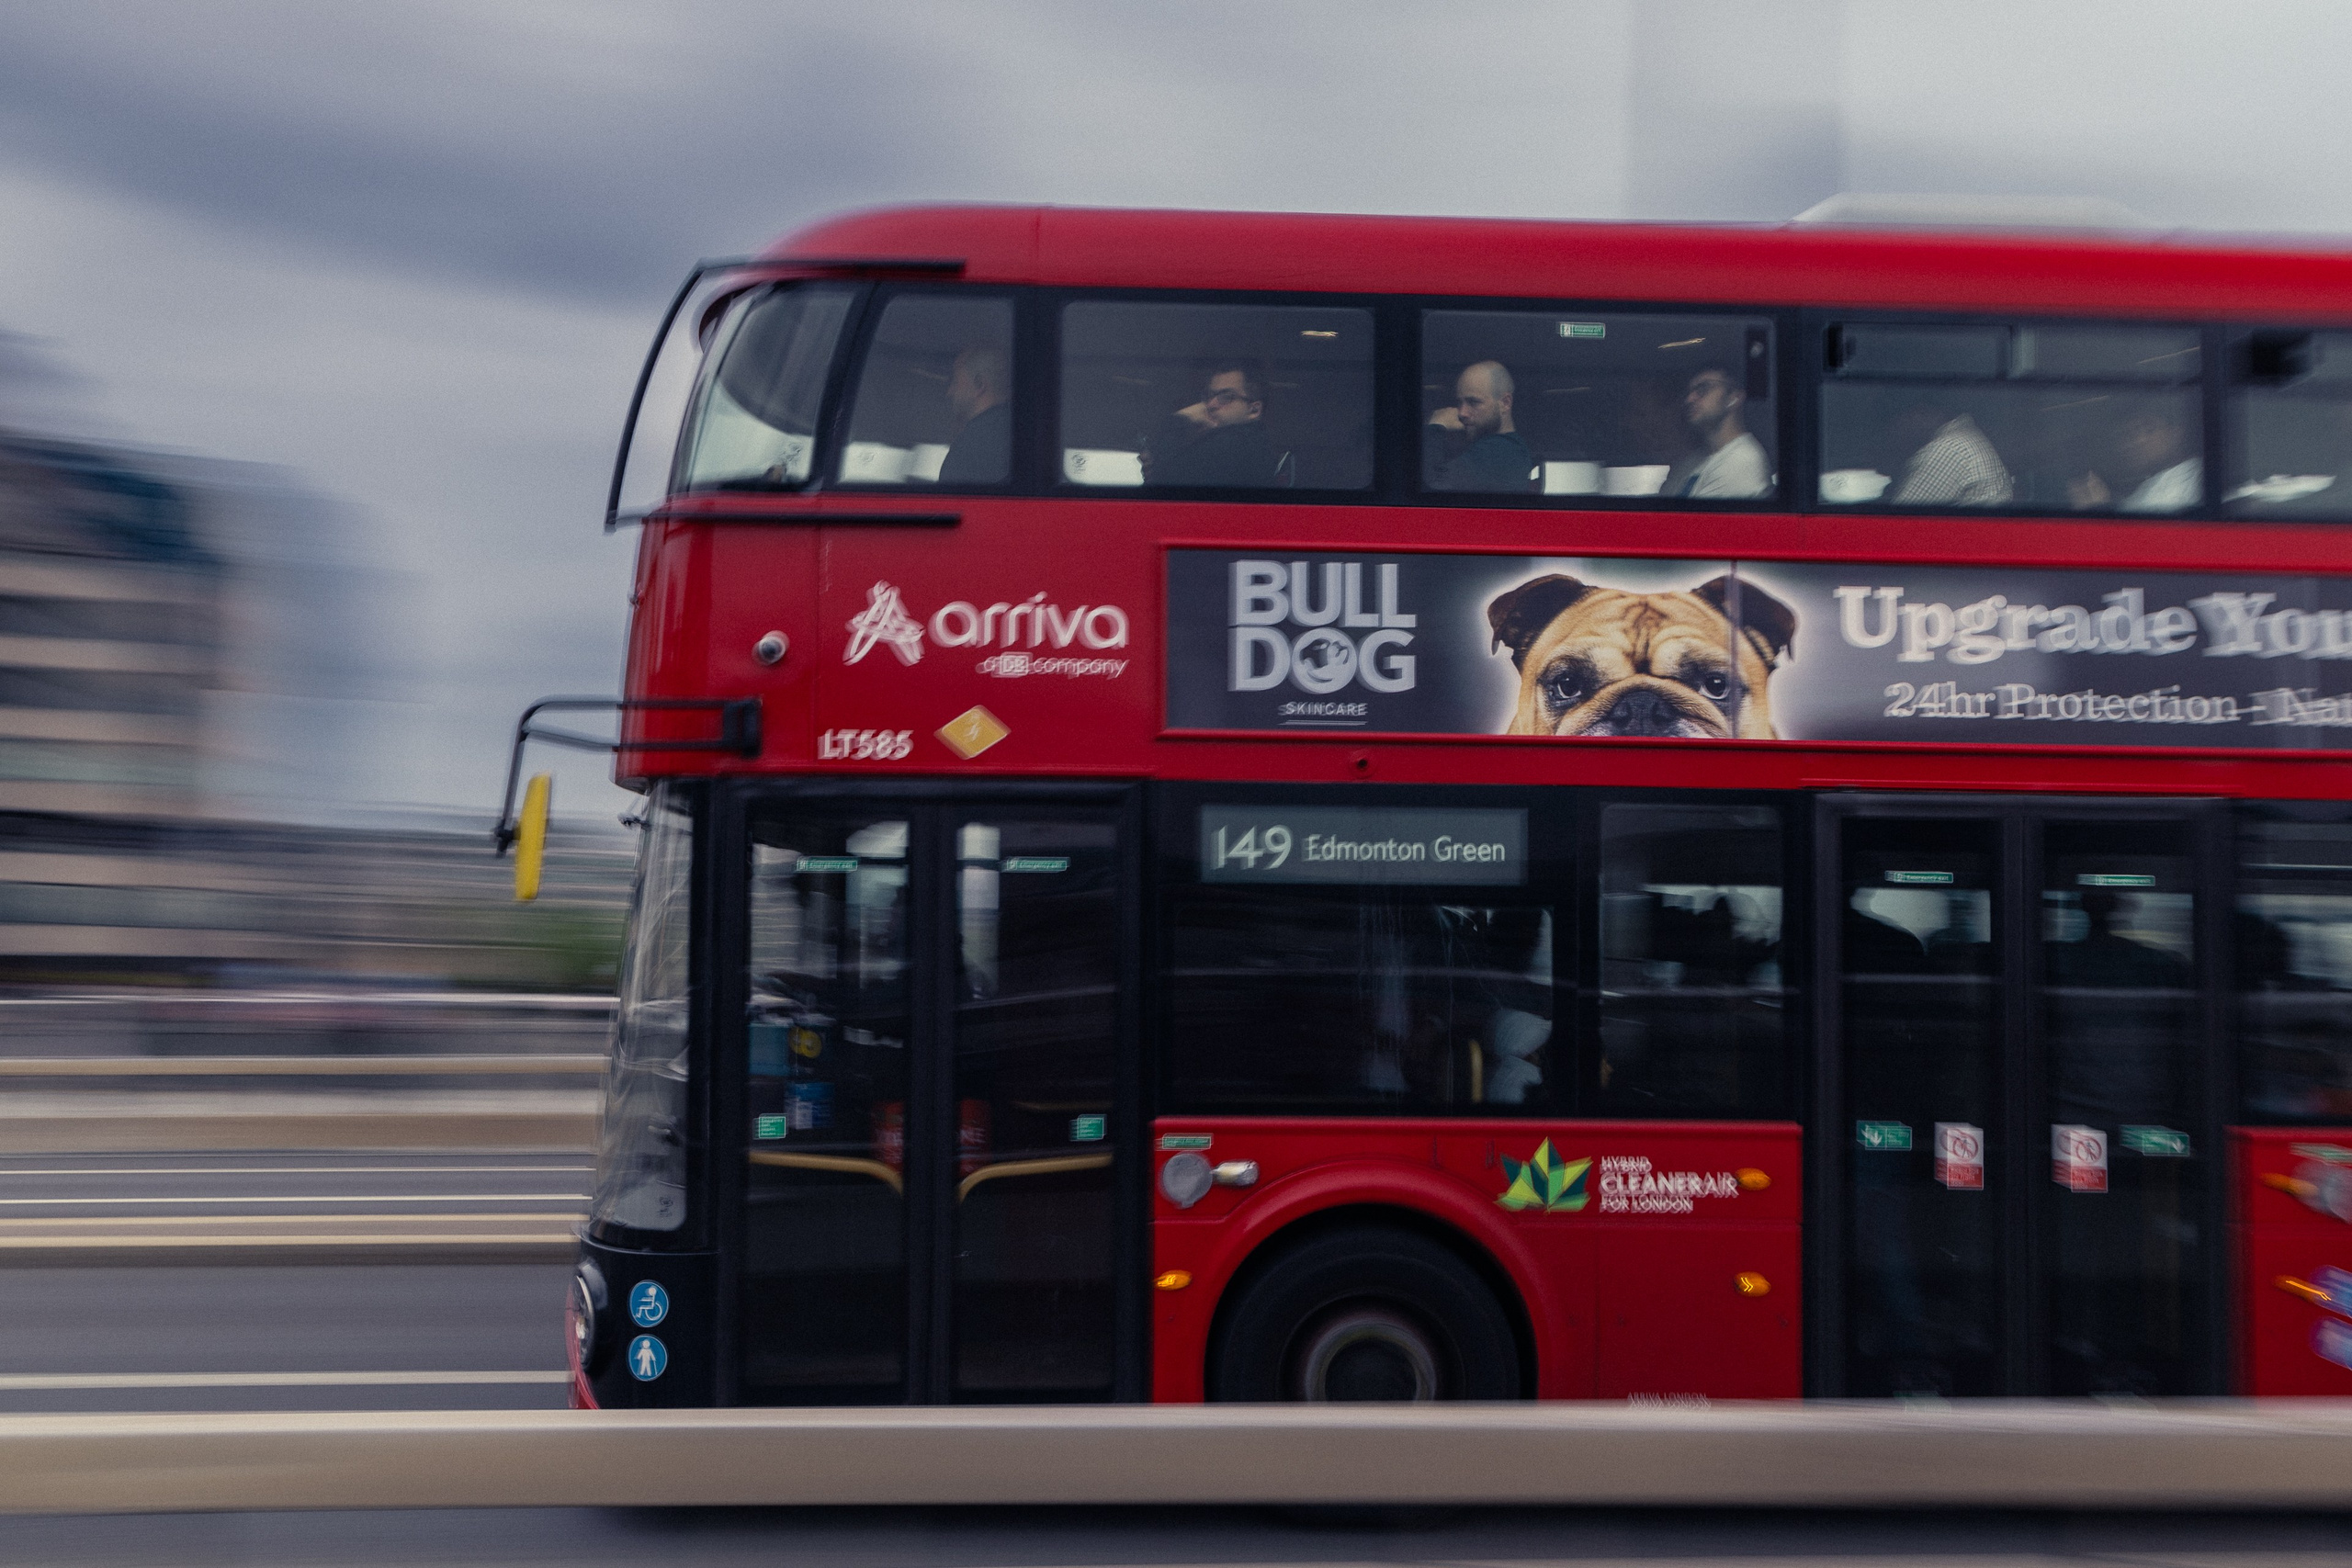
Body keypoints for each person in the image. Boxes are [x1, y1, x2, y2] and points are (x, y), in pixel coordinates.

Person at [1143, 363, 1280, 487]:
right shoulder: (1254, 443)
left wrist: (1183, 418)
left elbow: (1163, 482)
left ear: (1254, 410)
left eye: (1226, 397)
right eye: (1210, 395)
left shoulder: (1235, 445)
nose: (1211, 405)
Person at [1424, 361, 1537, 492]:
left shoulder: (1500, 452)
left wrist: (1436, 427)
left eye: (1474, 402)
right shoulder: (1505, 449)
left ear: (1505, 403)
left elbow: (1429, 485)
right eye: (1459, 402)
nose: (1461, 413)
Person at [1662, 367, 1772, 499]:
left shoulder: (1743, 461)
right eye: (1689, 392)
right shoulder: (1694, 460)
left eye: (1703, 388)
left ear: (1733, 397)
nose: (1689, 399)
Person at [2068, 409, 2199, 513]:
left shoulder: (2192, 475)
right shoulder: (2152, 482)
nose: (2136, 441)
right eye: (2125, 435)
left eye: (2148, 429)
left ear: (2176, 433)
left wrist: (2098, 509)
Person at [1888, 400, 2013, 506]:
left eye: (1902, 416)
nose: (1899, 428)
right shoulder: (1966, 436)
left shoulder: (1947, 449)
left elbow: (1902, 523)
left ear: (1923, 412)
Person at [933, 344, 1012, 486]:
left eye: (956, 382)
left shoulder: (969, 448)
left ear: (979, 385)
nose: (950, 392)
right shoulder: (1023, 435)